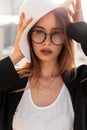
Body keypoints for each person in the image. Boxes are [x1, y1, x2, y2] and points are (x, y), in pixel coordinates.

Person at [0, 0, 87, 130]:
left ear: (65, 38)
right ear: (28, 36)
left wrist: (83, 33)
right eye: (39, 32)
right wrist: (16, 54)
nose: (47, 42)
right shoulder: (12, 84)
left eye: (56, 33)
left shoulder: (80, 81)